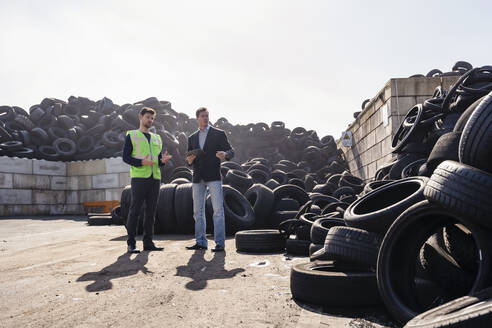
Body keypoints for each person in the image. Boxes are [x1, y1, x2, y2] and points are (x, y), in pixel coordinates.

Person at [122, 107, 172, 253]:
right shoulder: (132, 135)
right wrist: (140, 162)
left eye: (152, 118)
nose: (150, 120)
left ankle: (148, 242)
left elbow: (157, 159)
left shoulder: (157, 138)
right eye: (147, 117)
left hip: (155, 178)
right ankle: (131, 243)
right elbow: (126, 157)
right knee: (135, 210)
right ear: (140, 117)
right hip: (139, 178)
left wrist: (162, 161)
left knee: (151, 212)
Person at [186, 107, 234, 252]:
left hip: (213, 176)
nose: (205, 118)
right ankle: (200, 242)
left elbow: (231, 151)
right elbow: (188, 159)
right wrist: (189, 160)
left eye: (207, 116)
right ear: (197, 118)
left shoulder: (218, 134)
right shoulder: (192, 138)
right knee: (197, 212)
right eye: (202, 116)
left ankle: (220, 243)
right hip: (197, 177)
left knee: (218, 210)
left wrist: (225, 154)